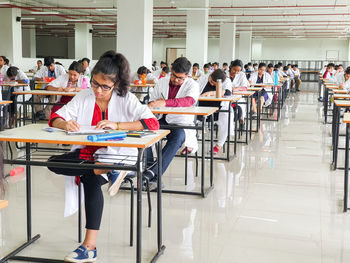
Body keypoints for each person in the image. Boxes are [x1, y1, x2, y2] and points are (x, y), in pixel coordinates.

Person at [47, 51, 159, 263]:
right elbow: (56, 116)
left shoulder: (126, 99)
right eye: (95, 83)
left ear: (116, 84)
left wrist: (117, 125)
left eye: (105, 87)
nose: (98, 90)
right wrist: (65, 123)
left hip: (123, 155)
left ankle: (89, 247)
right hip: (92, 155)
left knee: (90, 179)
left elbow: (152, 123)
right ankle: (107, 168)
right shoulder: (84, 96)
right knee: (52, 163)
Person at [146, 57, 199, 189]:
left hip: (179, 121)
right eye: (174, 76)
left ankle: (151, 174)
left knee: (178, 137)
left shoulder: (192, 85)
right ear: (171, 70)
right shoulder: (162, 81)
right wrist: (153, 103)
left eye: (180, 78)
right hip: (161, 118)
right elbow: (152, 99)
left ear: (187, 75)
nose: (176, 80)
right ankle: (152, 173)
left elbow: (188, 101)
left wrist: (165, 102)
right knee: (144, 133)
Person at [199, 69, 234, 154]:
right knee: (187, 117)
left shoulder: (226, 80)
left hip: (218, 108)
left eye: (214, 84)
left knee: (227, 116)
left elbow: (228, 92)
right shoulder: (203, 78)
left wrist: (210, 93)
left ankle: (219, 145)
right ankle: (190, 145)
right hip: (201, 106)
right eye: (210, 81)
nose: (211, 84)